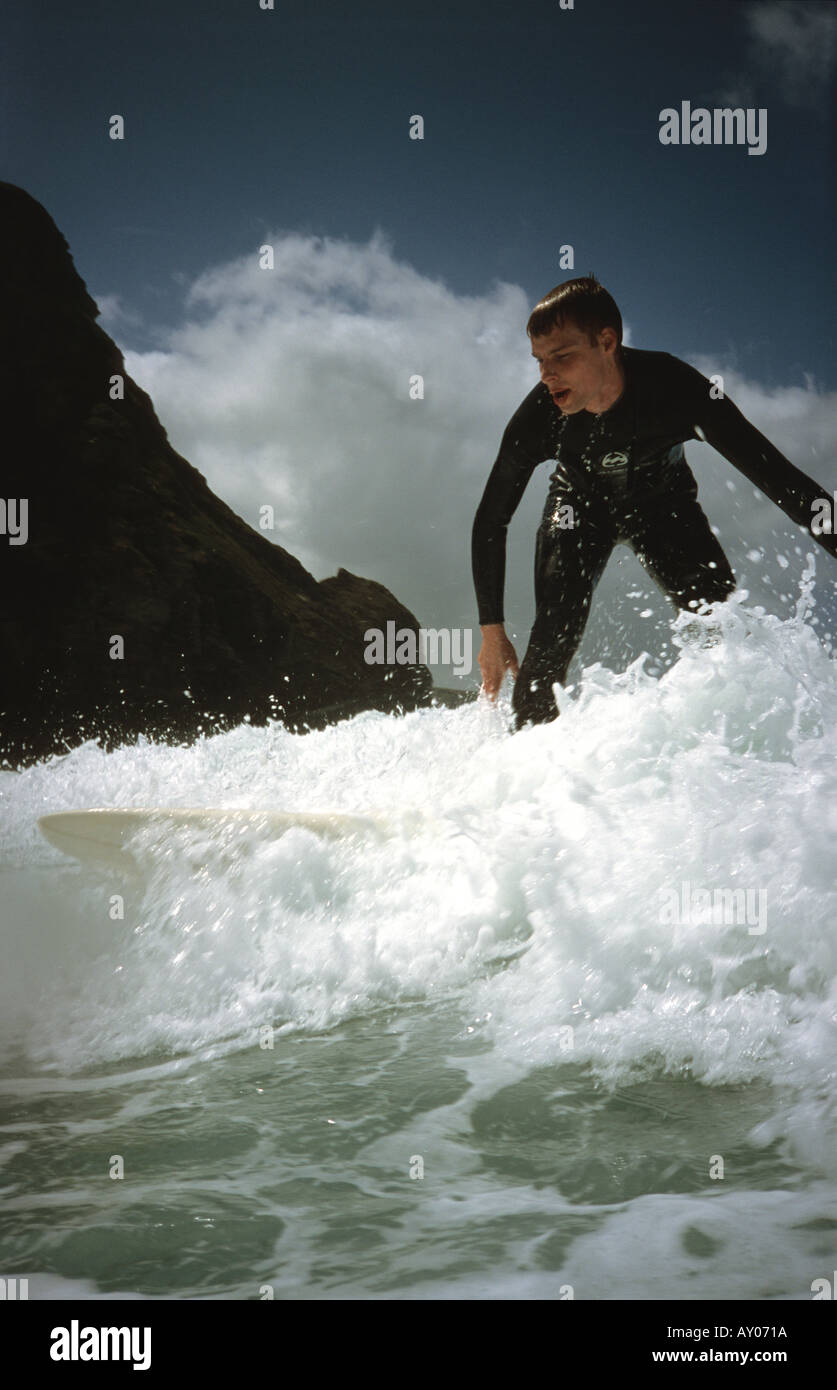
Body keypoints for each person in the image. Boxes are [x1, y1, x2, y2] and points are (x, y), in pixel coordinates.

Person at [472, 276, 837, 729]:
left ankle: (734, 764)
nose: (546, 374)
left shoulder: (676, 388)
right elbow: (491, 520)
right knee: (548, 647)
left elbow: (783, 483)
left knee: (721, 638)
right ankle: (523, 779)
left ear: (607, 342)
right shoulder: (538, 419)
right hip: (576, 509)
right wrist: (492, 630)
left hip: (663, 508)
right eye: (540, 360)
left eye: (562, 357)